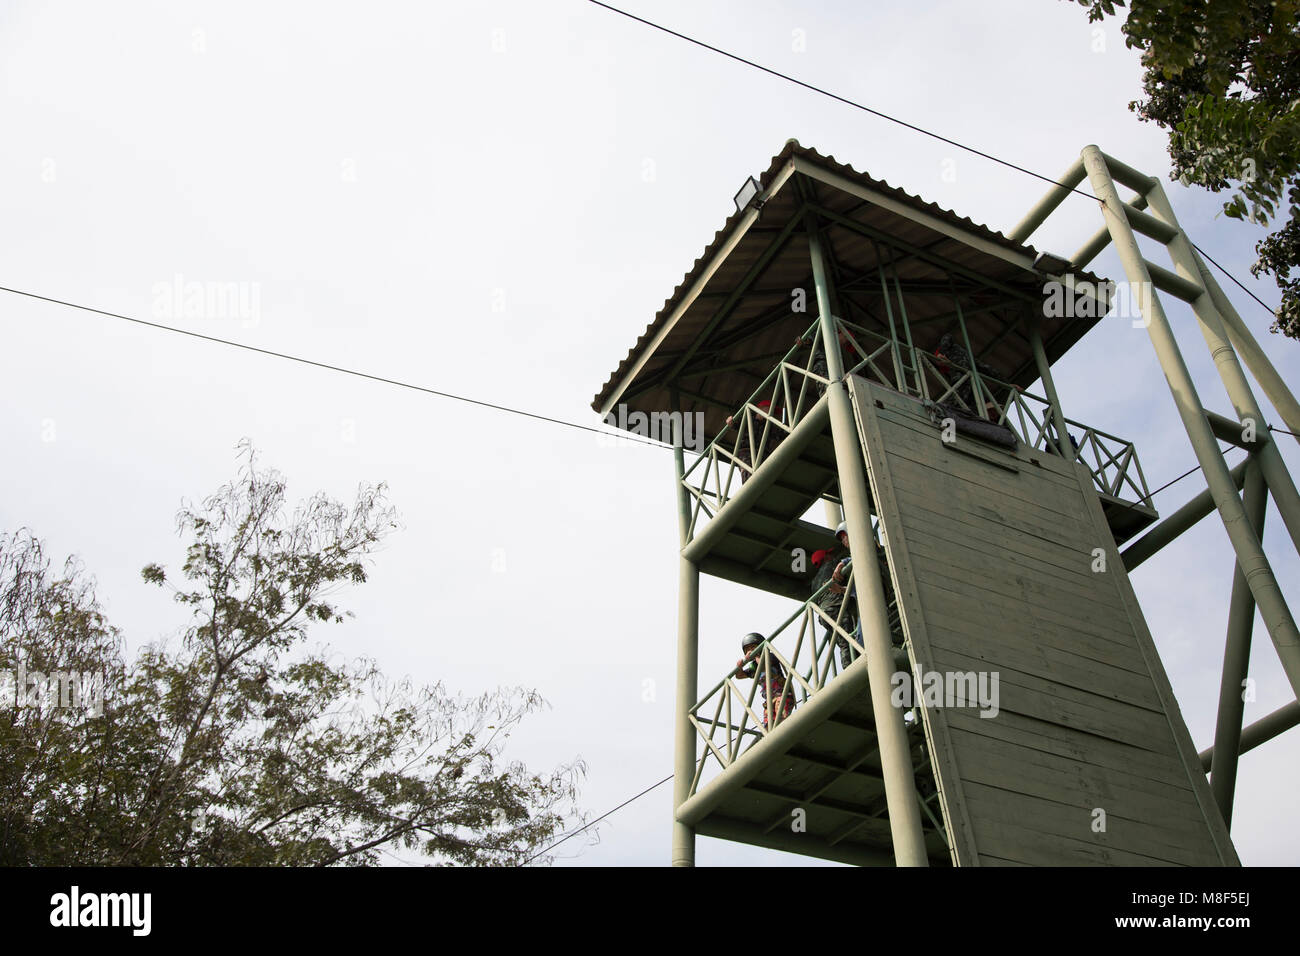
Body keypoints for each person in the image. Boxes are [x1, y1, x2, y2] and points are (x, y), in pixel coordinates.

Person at [811, 521, 857, 670]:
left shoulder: (813, 582)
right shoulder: (833, 565)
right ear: (826, 558)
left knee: (841, 640)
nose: (832, 556)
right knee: (846, 640)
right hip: (837, 608)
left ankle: (849, 667)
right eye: (829, 554)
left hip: (822, 616)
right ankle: (850, 669)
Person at [734, 632, 795, 729]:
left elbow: (764, 663)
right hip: (769, 700)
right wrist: (739, 667)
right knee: (769, 725)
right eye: (747, 650)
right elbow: (740, 675)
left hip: (782, 695)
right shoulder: (754, 667)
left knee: (781, 717)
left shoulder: (770, 656)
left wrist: (757, 655)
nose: (750, 651)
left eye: (753, 648)